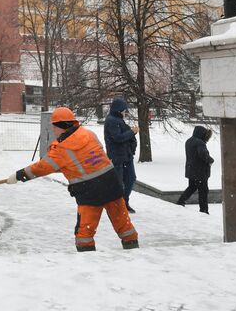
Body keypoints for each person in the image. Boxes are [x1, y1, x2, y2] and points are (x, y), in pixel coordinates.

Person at [7, 107, 139, 252]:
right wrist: (65, 167)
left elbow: (41, 168)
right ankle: (133, 251)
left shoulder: (60, 150)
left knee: (85, 233)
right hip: (112, 184)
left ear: (61, 126)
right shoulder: (89, 134)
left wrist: (19, 175)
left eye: (54, 126)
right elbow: (86, 158)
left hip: (90, 192)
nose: (52, 129)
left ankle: (87, 261)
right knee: (123, 224)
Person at [104, 97, 139, 213]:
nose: (125, 112)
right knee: (119, 183)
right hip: (117, 157)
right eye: (124, 109)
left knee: (130, 178)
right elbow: (118, 138)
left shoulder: (118, 120)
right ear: (119, 110)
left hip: (126, 156)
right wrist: (132, 132)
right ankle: (118, 205)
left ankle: (124, 202)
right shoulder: (111, 120)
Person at [176, 126, 215, 214]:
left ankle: (180, 201)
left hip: (191, 170)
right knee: (203, 191)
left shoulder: (189, 141)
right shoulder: (200, 143)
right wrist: (211, 160)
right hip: (200, 172)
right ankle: (204, 210)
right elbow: (202, 154)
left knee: (192, 187)